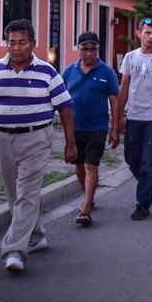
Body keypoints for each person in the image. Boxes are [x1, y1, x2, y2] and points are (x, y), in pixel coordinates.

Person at [0, 19, 76, 272]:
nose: (16, 47)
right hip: (2, 138)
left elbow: (64, 109)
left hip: (37, 138)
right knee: (14, 194)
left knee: (27, 194)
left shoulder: (47, 72)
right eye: (12, 42)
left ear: (33, 44)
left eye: (22, 42)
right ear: (6, 43)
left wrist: (70, 144)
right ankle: (35, 236)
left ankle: (14, 251)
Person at [62, 31, 120, 225]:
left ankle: (85, 208)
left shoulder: (107, 72)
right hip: (74, 127)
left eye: (93, 49)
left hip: (98, 126)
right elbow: (60, 99)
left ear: (98, 49)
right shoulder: (69, 71)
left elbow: (114, 100)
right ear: (78, 49)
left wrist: (115, 128)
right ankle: (89, 197)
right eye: (84, 49)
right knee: (79, 166)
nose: (88, 53)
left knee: (90, 165)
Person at [118, 18, 152, 220]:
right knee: (132, 159)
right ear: (139, 33)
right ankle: (149, 183)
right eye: (147, 32)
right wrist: (116, 120)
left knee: (147, 161)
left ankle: (142, 204)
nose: (151, 37)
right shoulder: (130, 57)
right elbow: (123, 88)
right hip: (133, 116)